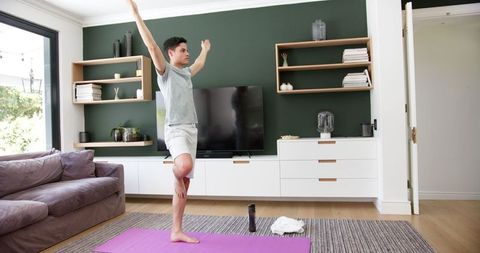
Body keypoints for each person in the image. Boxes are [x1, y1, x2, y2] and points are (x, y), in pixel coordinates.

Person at [127, 0, 211, 243]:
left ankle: (176, 230)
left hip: (191, 130)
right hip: (175, 130)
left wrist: (205, 49)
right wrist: (136, 14)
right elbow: (152, 47)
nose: (188, 53)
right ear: (171, 53)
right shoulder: (165, 71)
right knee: (182, 168)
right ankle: (175, 174)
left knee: (185, 183)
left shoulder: (185, 73)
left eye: (188, 50)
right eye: (184, 50)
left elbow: (200, 64)